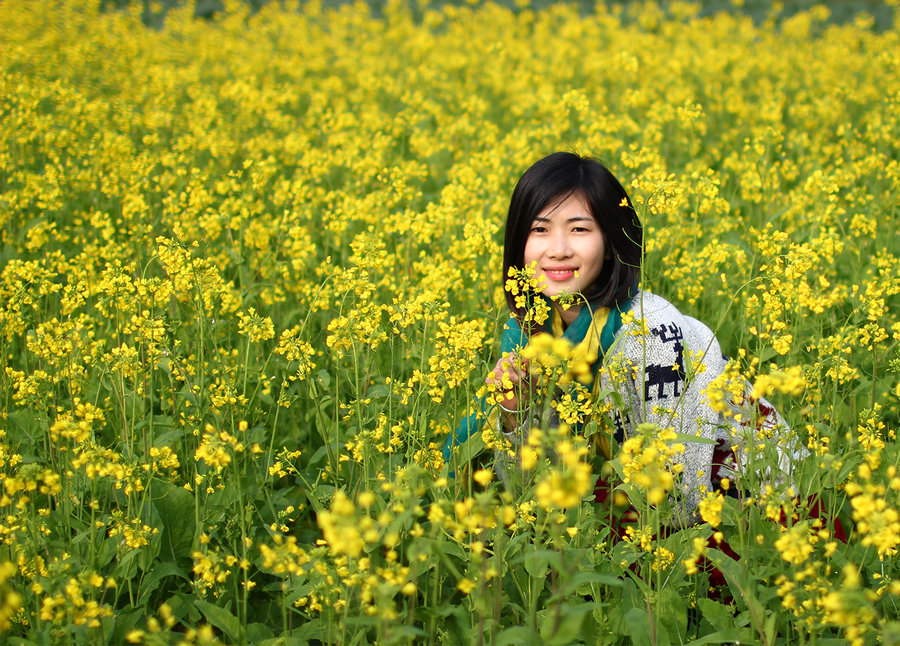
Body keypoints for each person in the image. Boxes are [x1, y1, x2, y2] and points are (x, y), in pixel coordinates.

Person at [443, 151, 801, 518]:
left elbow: (681, 499)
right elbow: (530, 494)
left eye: (579, 229)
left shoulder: (652, 335)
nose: (559, 249)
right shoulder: (528, 332)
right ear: (519, 243)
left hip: (757, 512)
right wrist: (513, 414)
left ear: (612, 243)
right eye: (540, 229)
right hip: (635, 508)